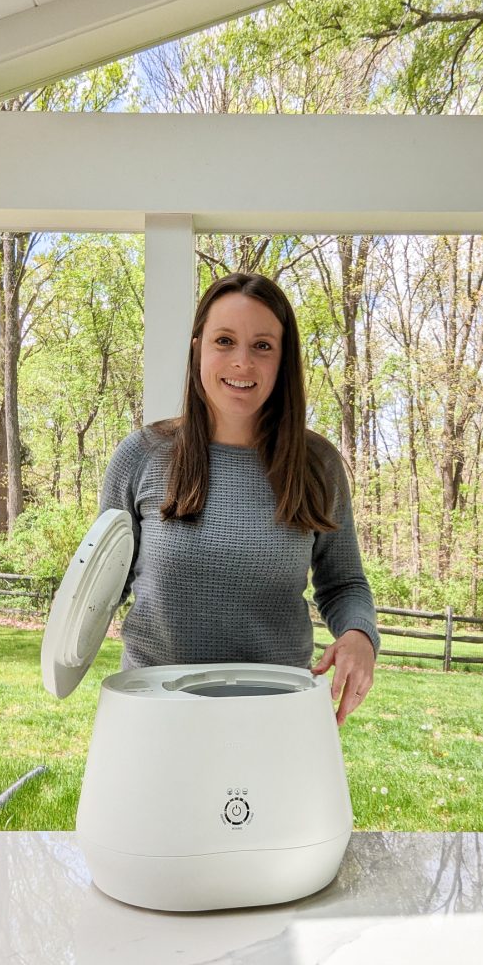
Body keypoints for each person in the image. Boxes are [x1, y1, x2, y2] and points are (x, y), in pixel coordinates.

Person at [100, 272, 379, 724]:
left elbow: (343, 584)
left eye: (263, 346)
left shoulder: (317, 465)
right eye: (224, 341)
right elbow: (100, 587)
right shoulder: (141, 456)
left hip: (276, 714)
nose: (242, 362)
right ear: (197, 349)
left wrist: (359, 635)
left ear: (283, 359)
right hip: (153, 713)